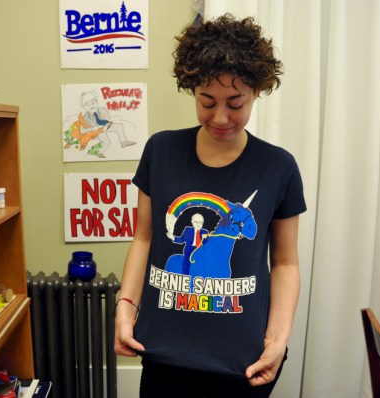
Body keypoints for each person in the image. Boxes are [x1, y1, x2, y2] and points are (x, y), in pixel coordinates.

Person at [114, 14, 306, 397]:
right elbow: (144, 239)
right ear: (192, 89)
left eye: (236, 103)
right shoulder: (161, 151)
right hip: (164, 353)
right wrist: (125, 307)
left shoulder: (278, 166)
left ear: (257, 92)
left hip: (244, 361)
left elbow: (284, 263)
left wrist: (278, 340)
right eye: (207, 102)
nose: (220, 117)